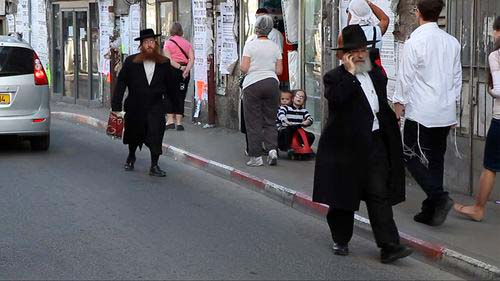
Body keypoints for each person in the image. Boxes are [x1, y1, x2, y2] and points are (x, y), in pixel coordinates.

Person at [313, 25, 412, 263]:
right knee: (344, 197)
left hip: (375, 142)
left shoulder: (375, 75)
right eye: (353, 51)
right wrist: (349, 73)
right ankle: (341, 238)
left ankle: (389, 246)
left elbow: (380, 103)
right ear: (343, 55)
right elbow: (338, 100)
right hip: (346, 146)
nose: (359, 55)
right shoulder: (334, 78)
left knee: (379, 193)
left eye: (361, 50)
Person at [393, 0, 462, 227]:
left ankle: (439, 197)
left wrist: (398, 103)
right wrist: (453, 106)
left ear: (418, 12)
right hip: (444, 110)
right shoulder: (452, 42)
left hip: (421, 110)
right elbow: (456, 79)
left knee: (408, 155)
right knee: (436, 159)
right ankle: (431, 210)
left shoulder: (416, 42)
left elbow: (406, 77)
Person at [454, 16, 500, 222]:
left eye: (494, 30)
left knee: (490, 166)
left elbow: (499, 89)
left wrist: (490, 91)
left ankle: (478, 208)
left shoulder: (496, 55)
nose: (493, 34)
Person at [111, 29, 174, 177]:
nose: (149, 45)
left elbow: (170, 87)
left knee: (156, 135)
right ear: (141, 45)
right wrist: (116, 106)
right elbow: (121, 84)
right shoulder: (131, 62)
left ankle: (154, 165)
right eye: (146, 42)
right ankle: (131, 156)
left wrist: (171, 109)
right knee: (134, 134)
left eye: (151, 42)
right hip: (135, 106)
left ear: (156, 44)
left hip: (156, 106)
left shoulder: (164, 63)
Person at [240, 15, 283, 167]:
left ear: (256, 28)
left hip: (253, 84)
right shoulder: (275, 47)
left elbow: (244, 68)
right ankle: (272, 150)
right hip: (272, 83)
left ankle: (256, 157)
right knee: (270, 120)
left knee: (253, 122)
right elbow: (279, 70)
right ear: (270, 29)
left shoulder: (250, 45)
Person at [163, 22, 194, 131]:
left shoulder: (168, 43)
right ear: (181, 31)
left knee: (168, 95)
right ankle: (179, 123)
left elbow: (169, 60)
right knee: (181, 95)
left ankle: (170, 120)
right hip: (184, 72)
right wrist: (186, 70)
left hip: (171, 71)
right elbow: (192, 59)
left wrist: (180, 68)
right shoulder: (187, 43)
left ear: (171, 31)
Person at [347, 0, 389, 73]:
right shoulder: (376, 31)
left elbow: (349, 23)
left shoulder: (348, 34)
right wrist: (369, 4)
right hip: (375, 77)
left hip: (356, 77)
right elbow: (385, 19)